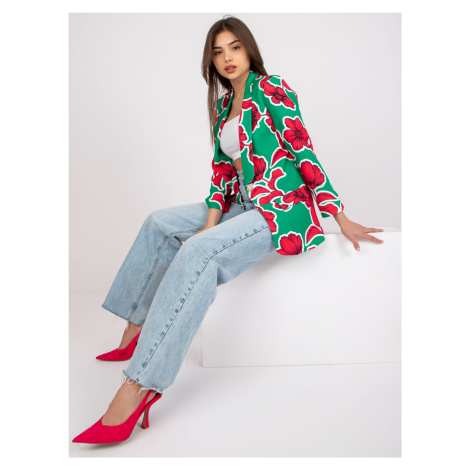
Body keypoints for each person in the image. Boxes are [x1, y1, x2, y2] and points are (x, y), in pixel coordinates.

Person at [72, 16, 384, 444]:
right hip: (242, 202)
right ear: (211, 61)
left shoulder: (272, 88)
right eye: (218, 52)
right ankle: (135, 328)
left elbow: (303, 149)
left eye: (234, 47)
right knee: (160, 223)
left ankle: (138, 387)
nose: (227, 58)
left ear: (249, 49)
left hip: (281, 207)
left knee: (197, 254)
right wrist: (209, 225)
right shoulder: (222, 107)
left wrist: (339, 214)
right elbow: (222, 173)